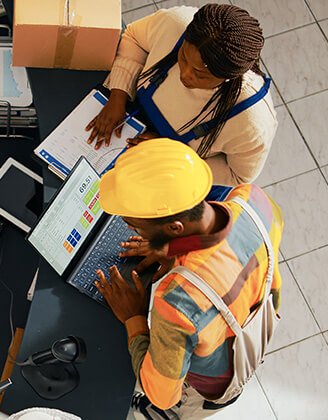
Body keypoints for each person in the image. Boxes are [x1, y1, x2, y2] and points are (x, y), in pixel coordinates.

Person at [94, 139, 283, 419]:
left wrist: (133, 317)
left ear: (174, 227)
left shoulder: (177, 302)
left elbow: (162, 395)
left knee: (167, 407)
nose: (133, 230)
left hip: (209, 386)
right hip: (252, 323)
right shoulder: (254, 200)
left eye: (135, 226)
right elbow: (231, 253)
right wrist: (172, 249)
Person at [87, 4, 277, 199]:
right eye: (183, 58)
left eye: (200, 75)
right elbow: (134, 38)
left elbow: (238, 175)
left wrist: (173, 157)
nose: (184, 75)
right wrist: (118, 95)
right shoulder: (175, 24)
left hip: (180, 174)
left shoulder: (252, 122)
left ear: (227, 78)